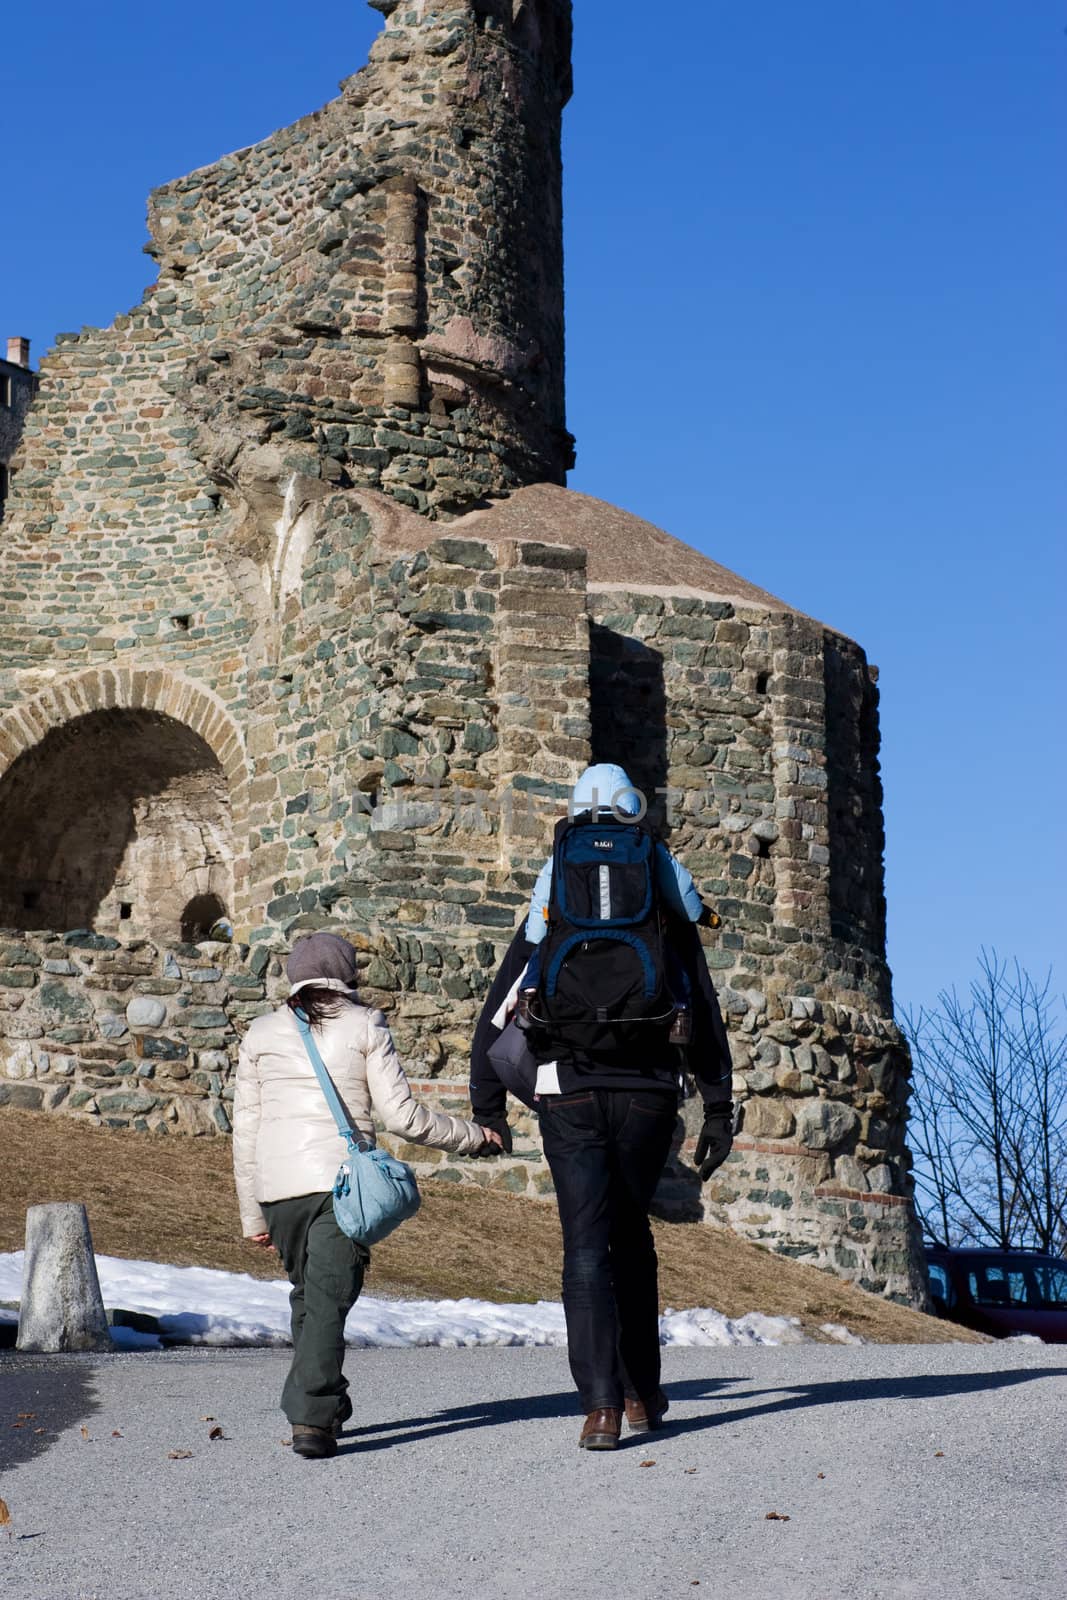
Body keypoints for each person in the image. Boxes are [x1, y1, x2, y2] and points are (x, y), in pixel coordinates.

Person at [471, 768, 735, 1451]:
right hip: (648, 1089)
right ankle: (643, 1394)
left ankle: (600, 1408)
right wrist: (716, 1104)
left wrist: (487, 1101)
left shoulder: (556, 881)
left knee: (586, 1245)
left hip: (569, 1088)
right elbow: (700, 1003)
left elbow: (504, 997)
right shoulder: (658, 882)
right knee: (632, 1238)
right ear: (631, 812)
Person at [233, 932, 501, 1459]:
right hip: (341, 1185)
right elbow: (402, 1117)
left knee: (313, 1299)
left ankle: (323, 1404)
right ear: (347, 973)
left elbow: (245, 1131)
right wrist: (472, 1136)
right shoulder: (363, 1025)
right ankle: (311, 1417)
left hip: (280, 1189)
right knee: (328, 1302)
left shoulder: (260, 1032)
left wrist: (252, 1211)